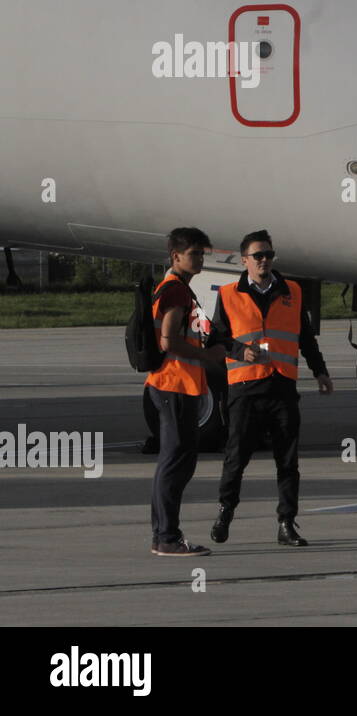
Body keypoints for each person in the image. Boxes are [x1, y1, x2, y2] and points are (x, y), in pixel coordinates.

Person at [208, 230, 333, 547]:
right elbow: (216, 339)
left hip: (281, 386)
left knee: (288, 460)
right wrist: (240, 351)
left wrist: (320, 371)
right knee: (236, 457)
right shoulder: (227, 294)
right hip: (245, 388)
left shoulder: (292, 291)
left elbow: (305, 337)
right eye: (258, 256)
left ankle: (286, 523)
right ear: (244, 260)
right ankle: (225, 511)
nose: (265, 260)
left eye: (269, 255)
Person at [146, 227, 226, 556]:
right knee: (176, 462)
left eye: (201, 253)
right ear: (175, 256)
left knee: (177, 461)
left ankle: (163, 535)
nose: (200, 259)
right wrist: (207, 356)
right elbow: (168, 340)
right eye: (194, 253)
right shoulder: (176, 291)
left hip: (176, 385)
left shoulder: (179, 289)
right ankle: (167, 537)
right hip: (173, 385)